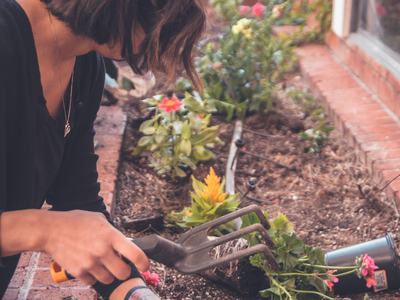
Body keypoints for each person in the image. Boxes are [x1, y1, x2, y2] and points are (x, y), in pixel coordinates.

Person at [0, 0, 206, 298]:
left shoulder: (84, 64)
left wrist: (132, 290)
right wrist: (44, 229)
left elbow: (78, 199)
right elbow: (59, 225)